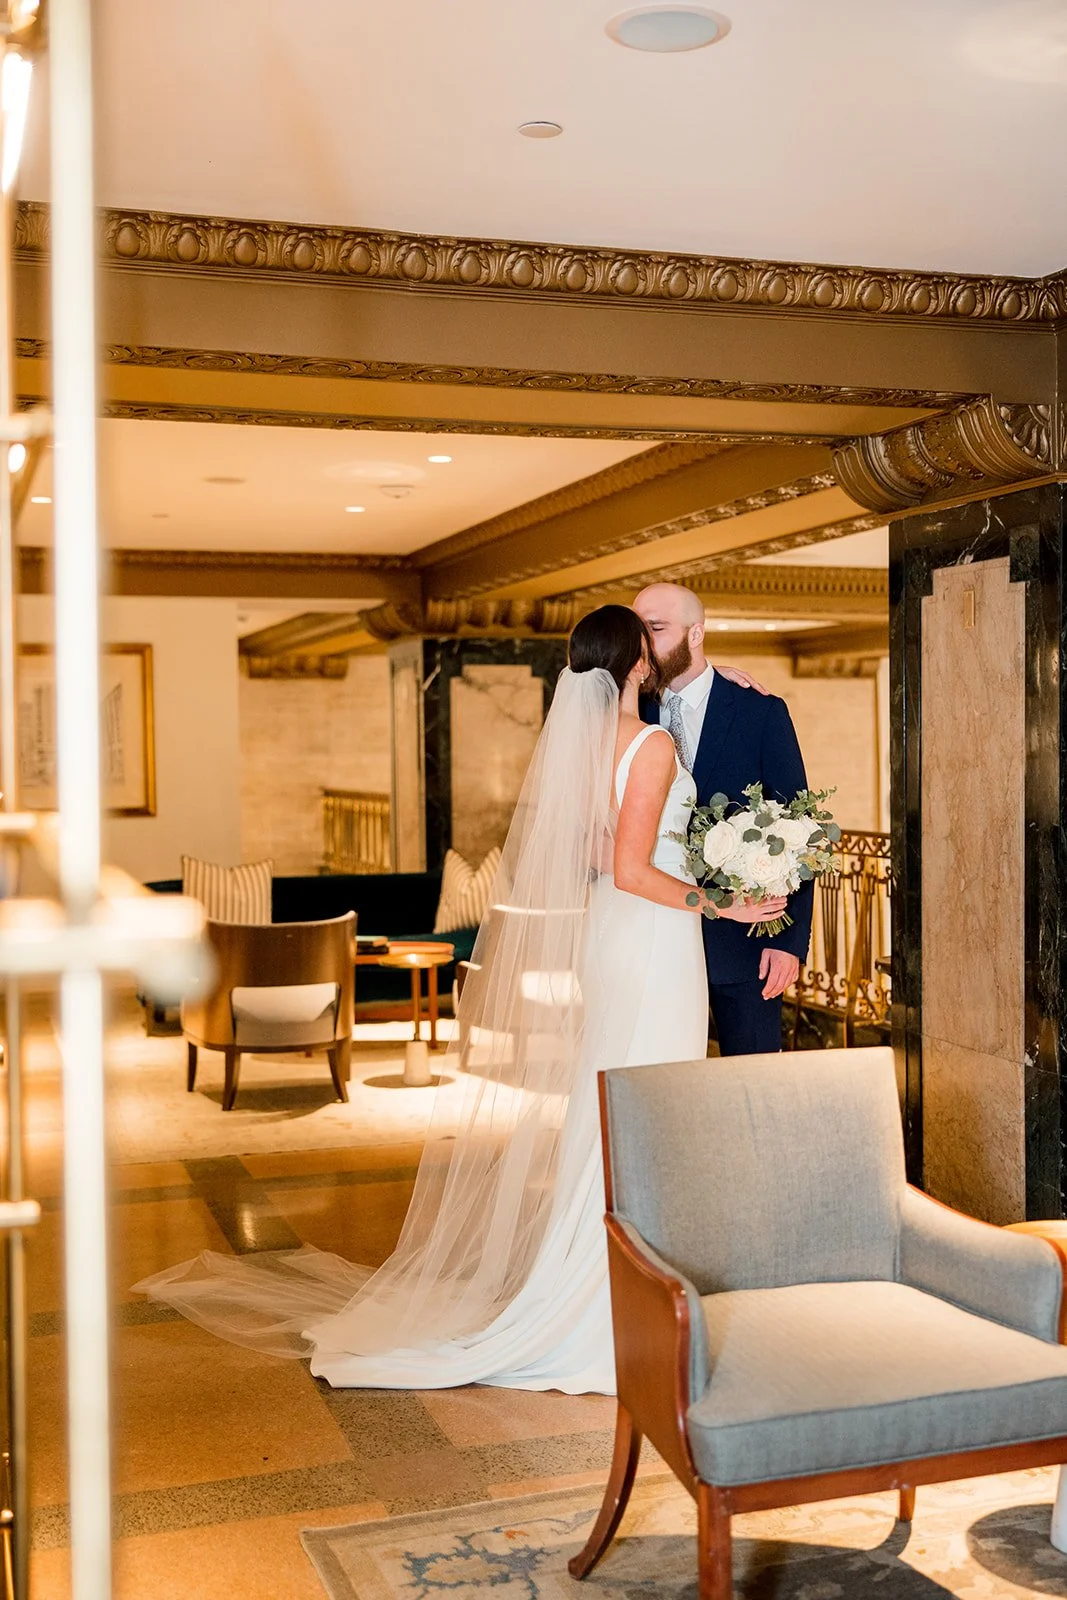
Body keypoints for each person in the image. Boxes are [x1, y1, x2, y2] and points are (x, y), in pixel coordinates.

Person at [135, 606, 782, 1395]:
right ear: (637, 660)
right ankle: (608, 1308)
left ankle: (611, 1288)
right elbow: (632, 870)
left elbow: (592, 852)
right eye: (649, 641)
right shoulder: (646, 746)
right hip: (651, 944)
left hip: (618, 943)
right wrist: (724, 903)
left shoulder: (587, 747)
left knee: (607, 1114)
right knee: (643, 1114)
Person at [633, 582, 813, 1056]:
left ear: (696, 634)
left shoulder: (760, 712)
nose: (643, 643)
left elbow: (800, 827)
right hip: (656, 936)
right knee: (666, 1089)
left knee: (753, 1091)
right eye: (638, 630)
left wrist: (789, 941)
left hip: (746, 943)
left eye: (655, 628)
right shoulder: (627, 711)